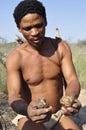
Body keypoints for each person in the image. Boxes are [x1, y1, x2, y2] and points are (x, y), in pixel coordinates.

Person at [6, 0, 81, 130]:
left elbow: (72, 80)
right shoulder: (15, 57)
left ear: (45, 21)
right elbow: (14, 96)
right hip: (29, 117)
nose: (34, 32)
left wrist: (70, 98)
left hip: (58, 114)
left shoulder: (60, 48)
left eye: (38, 25)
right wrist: (27, 110)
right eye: (27, 28)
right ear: (19, 28)